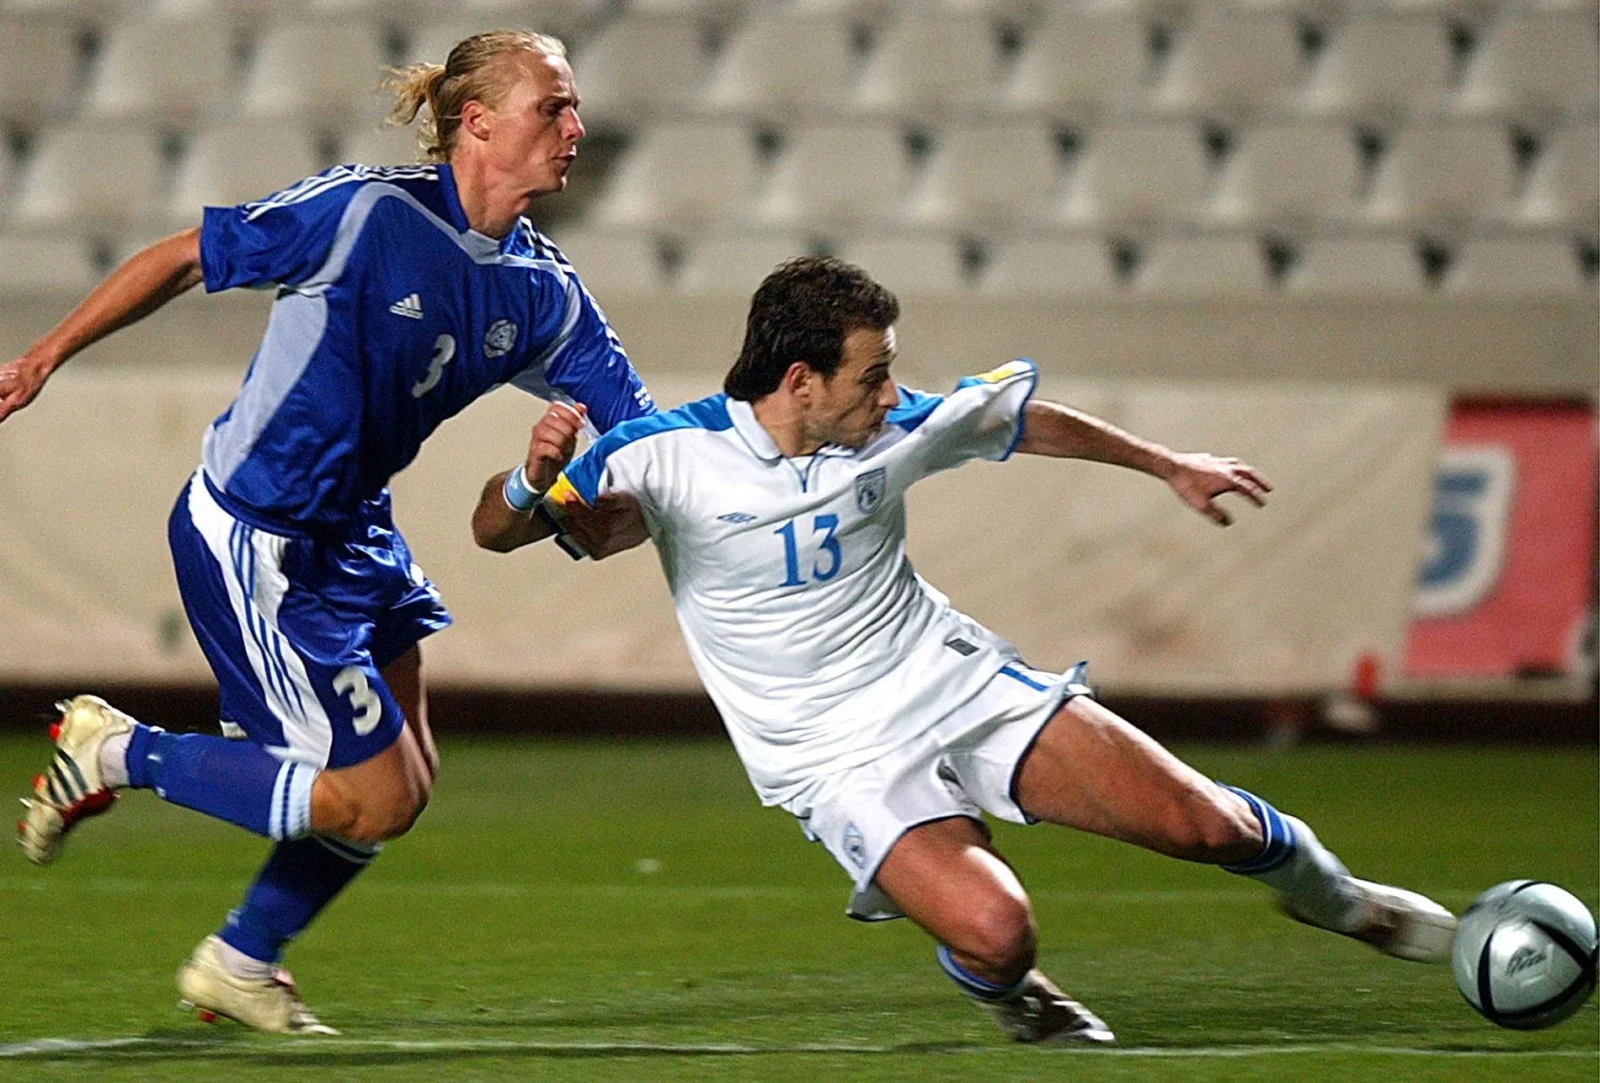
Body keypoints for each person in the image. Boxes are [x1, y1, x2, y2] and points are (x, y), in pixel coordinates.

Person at [472, 257, 1457, 1044]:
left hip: (951, 681)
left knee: (1207, 826)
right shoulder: (661, 454)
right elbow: (503, 532)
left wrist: (1168, 464)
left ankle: (1344, 903)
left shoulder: (889, 423)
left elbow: (1017, 419)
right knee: (997, 933)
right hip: (833, 756)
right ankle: (1013, 991)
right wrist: (528, 484)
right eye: (872, 374)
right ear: (800, 380)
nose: (890, 392)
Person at [2, 30, 652, 1033]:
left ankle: (240, 961)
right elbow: (185, 258)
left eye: (573, 107)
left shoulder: (545, 293)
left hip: (355, 532)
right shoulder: (365, 213)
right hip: (260, 535)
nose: (576, 127)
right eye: (553, 107)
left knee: (408, 782)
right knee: (368, 795)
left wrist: (617, 500)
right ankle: (118, 751)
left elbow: (645, 438)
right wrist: (44, 356)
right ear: (478, 123)